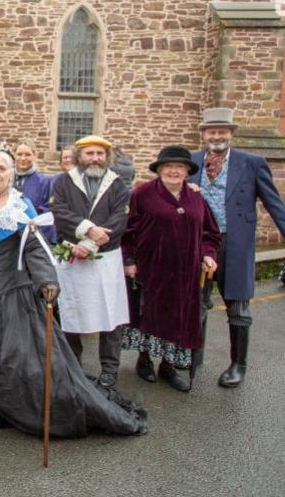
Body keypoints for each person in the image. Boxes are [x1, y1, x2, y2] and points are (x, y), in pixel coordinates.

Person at [0, 150, 147, 437]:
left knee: (9, 351)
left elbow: (34, 248)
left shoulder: (21, 206)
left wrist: (47, 280)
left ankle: (13, 402)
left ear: (11, 174)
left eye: (2, 169)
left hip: (8, 286)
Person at [189, 108, 285, 388]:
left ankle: (238, 364)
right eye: (211, 131)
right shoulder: (190, 162)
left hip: (234, 244)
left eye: (222, 131)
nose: (217, 136)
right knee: (195, 303)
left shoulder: (252, 163)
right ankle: (193, 355)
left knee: (237, 307)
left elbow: (275, 204)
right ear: (203, 134)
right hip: (198, 244)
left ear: (231, 134)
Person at [121, 146, 221, 391]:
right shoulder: (142, 194)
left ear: (187, 171)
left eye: (179, 167)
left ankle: (168, 365)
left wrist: (208, 255)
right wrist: (129, 261)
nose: (174, 171)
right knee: (148, 315)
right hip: (150, 269)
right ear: (159, 170)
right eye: (168, 167)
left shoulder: (196, 197)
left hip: (186, 273)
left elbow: (210, 233)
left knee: (179, 318)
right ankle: (144, 360)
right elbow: (128, 231)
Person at [49, 135, 130, 389]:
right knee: (71, 311)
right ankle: (73, 365)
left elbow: (120, 219)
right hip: (71, 256)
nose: (95, 158)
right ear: (79, 157)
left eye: (100, 153)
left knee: (110, 316)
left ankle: (109, 370)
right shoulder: (64, 182)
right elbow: (59, 213)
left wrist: (91, 243)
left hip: (106, 259)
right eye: (89, 153)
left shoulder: (117, 185)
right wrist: (87, 229)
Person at [13, 140, 56, 243]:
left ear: (34, 156)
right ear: (14, 155)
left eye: (28, 154)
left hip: (33, 234)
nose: (23, 158)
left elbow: (47, 209)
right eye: (19, 154)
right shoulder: (7, 178)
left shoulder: (44, 181)